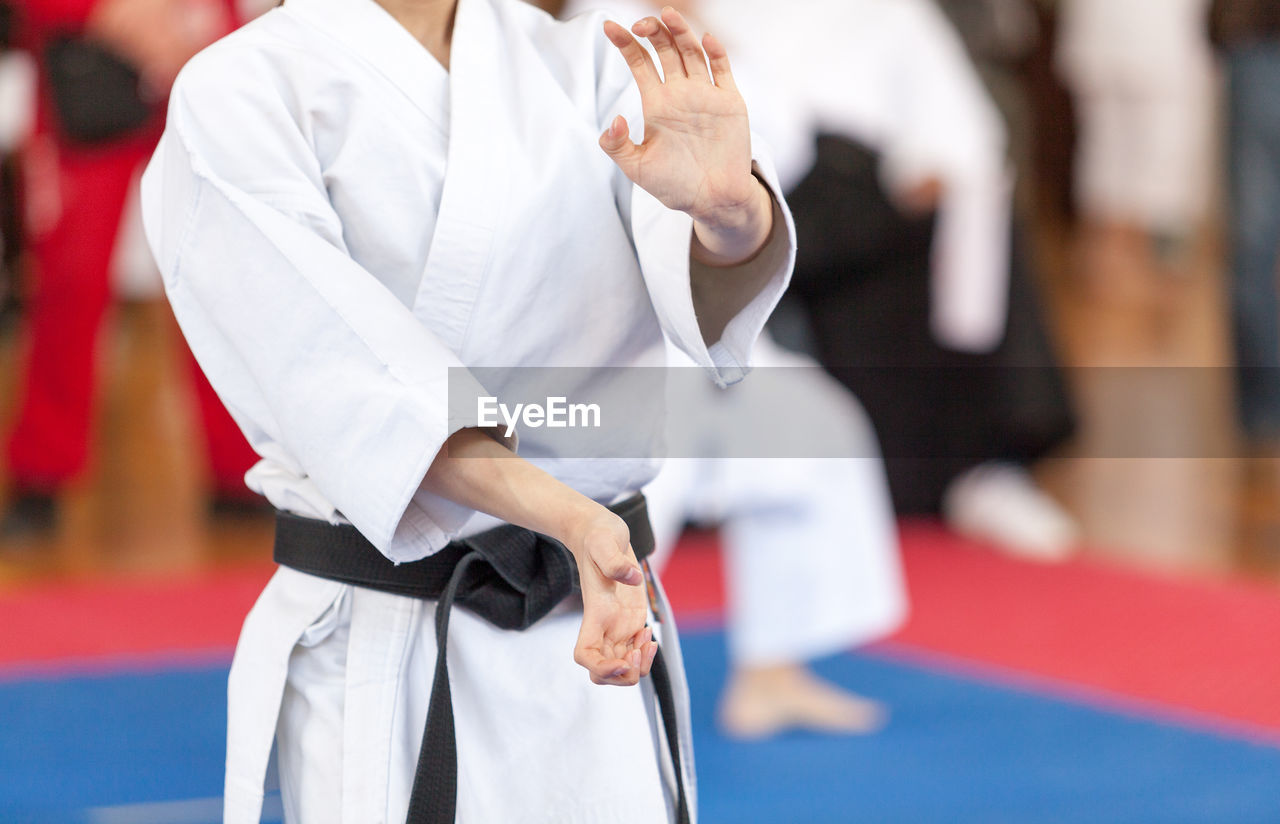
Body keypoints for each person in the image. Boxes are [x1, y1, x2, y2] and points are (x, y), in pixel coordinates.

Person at [139, 0, 796, 821]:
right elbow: (350, 383)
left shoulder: (585, 58)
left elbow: (703, 264)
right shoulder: (240, 91)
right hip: (395, 641)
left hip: (599, 622)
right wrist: (575, 522)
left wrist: (729, 211)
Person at [0, 0, 258, 540]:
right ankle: (41, 476)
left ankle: (242, 471)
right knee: (71, 276)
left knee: (224, 274)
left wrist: (196, 23)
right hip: (89, 65)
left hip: (198, 54)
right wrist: (105, 12)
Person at [1211, 0, 1280, 446]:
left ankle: (1263, 412)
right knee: (1251, 246)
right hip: (1256, 41)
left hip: (1255, 43)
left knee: (1251, 243)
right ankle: (1263, 411)